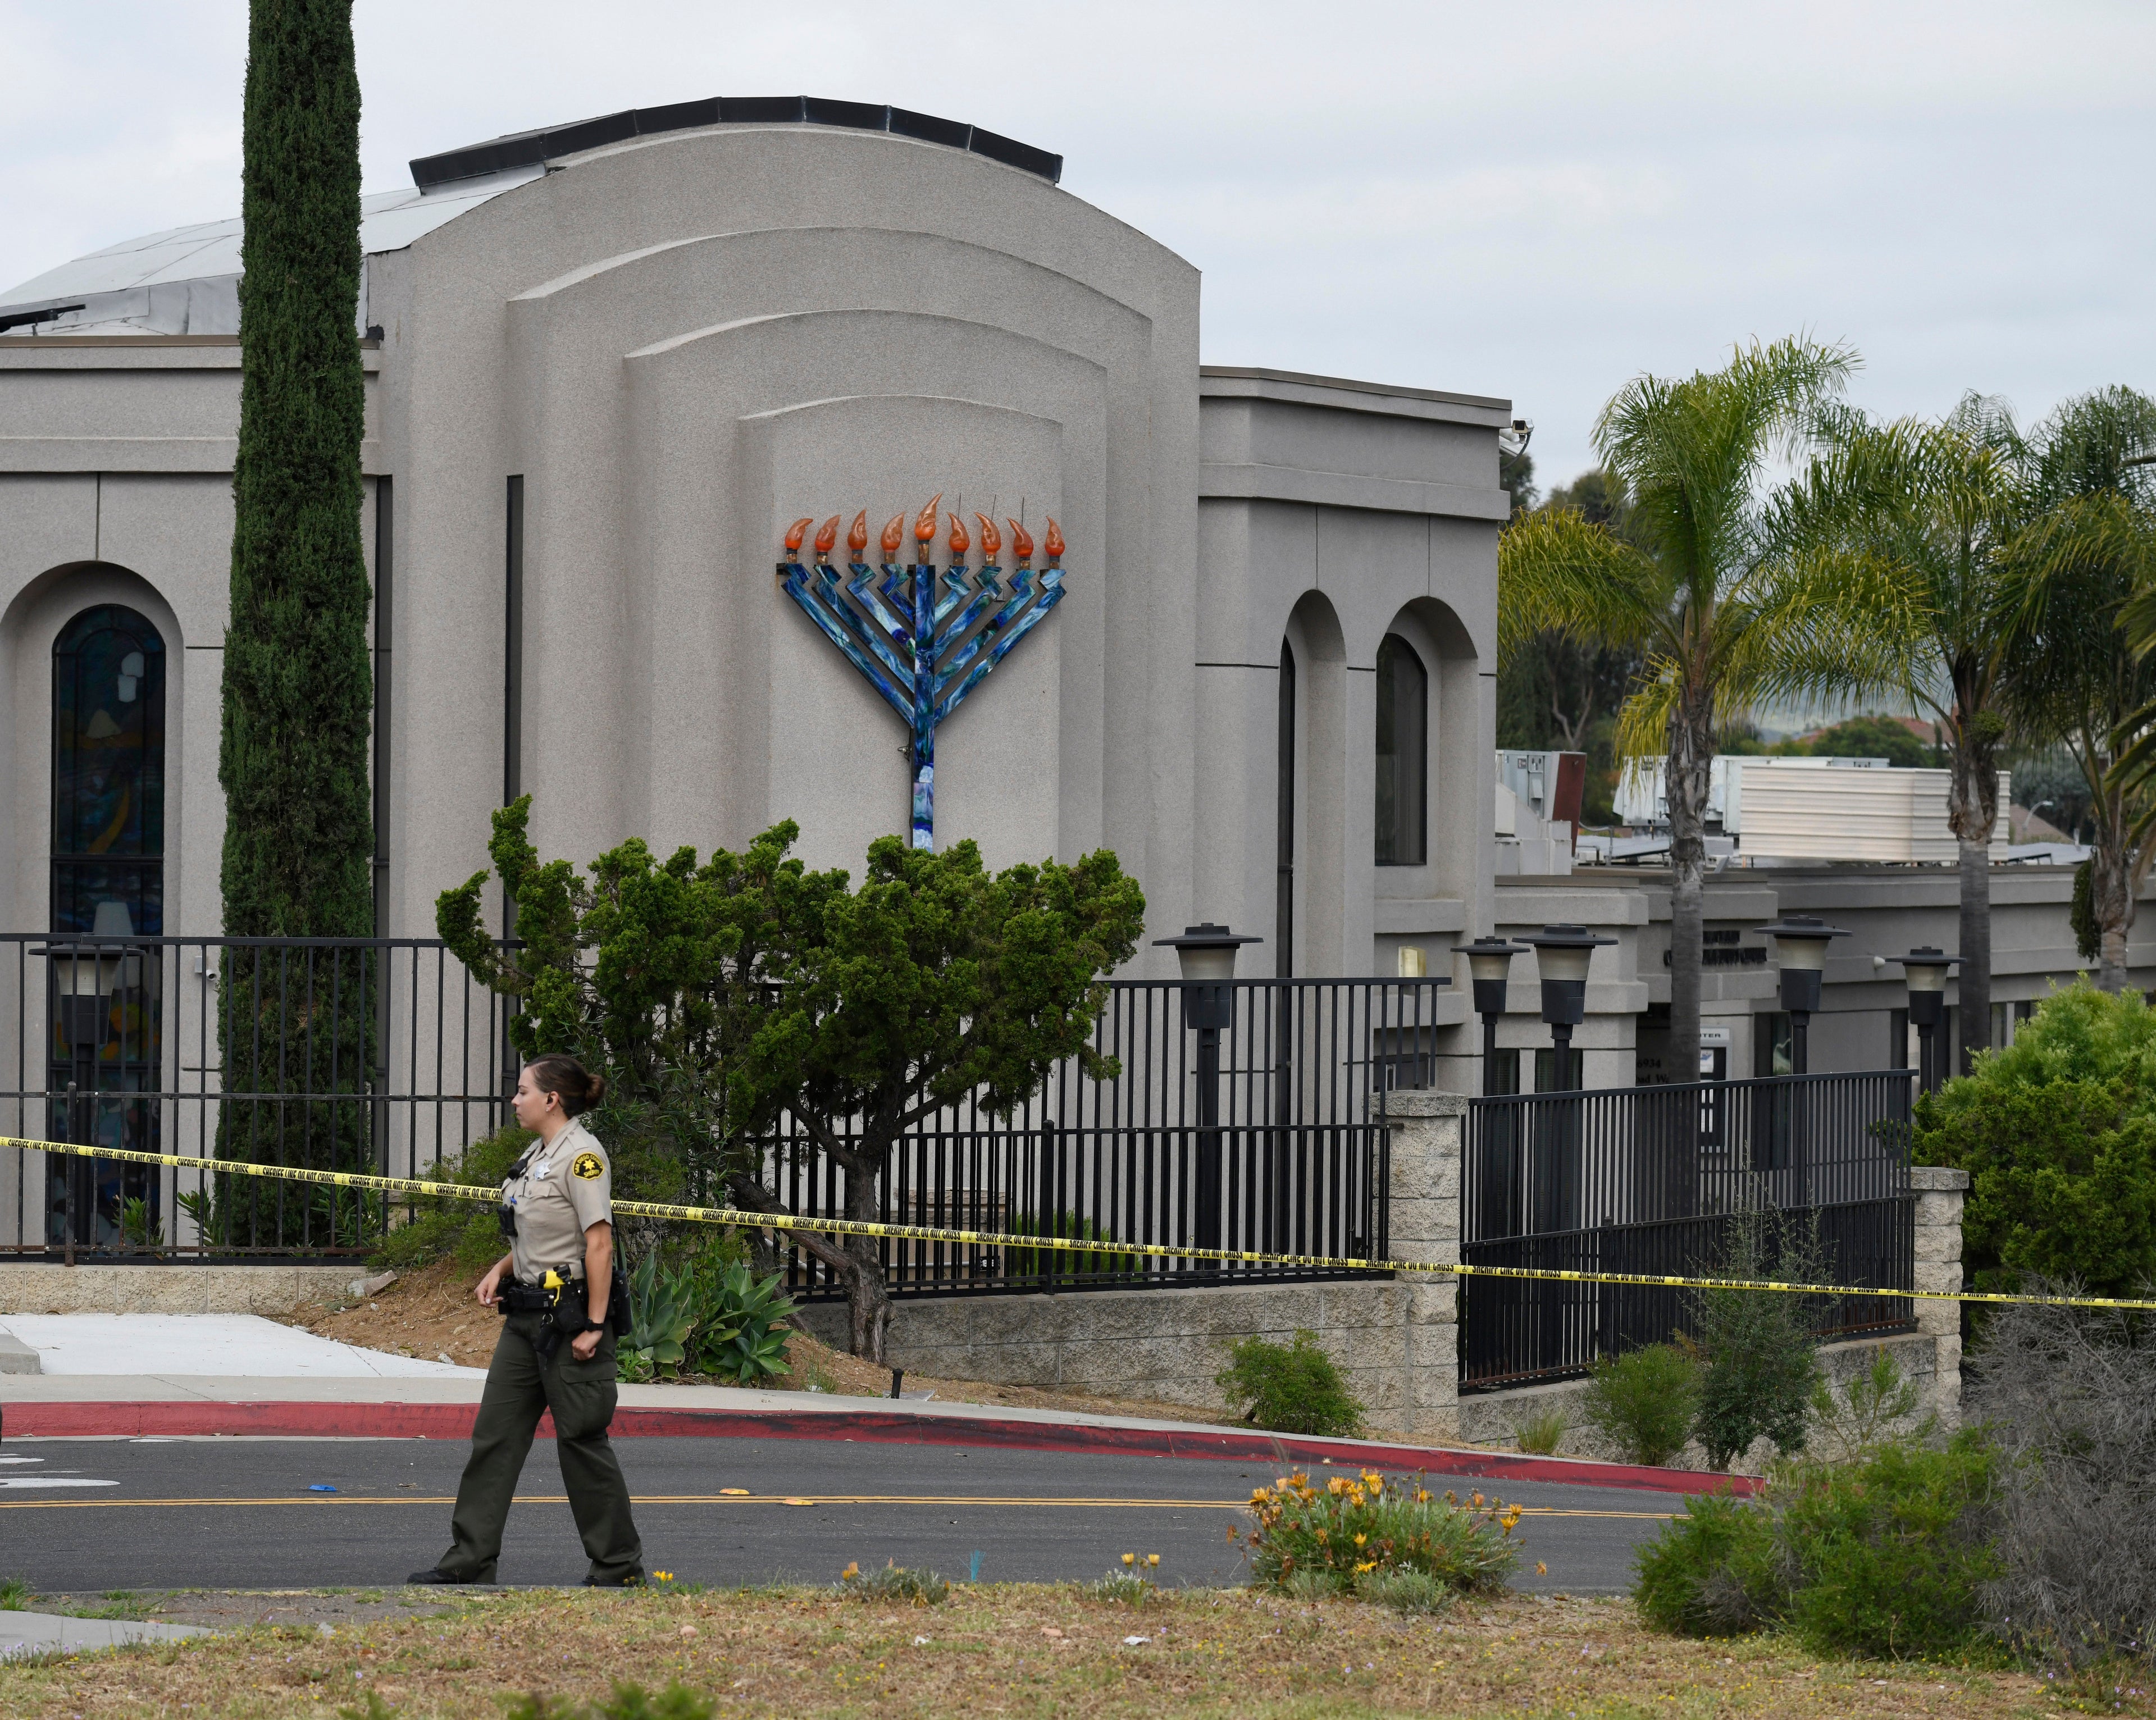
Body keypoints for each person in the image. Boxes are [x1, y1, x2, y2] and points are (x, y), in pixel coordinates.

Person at [407, 1053, 644, 1586]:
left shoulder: (583, 1156)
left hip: (571, 1321)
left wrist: (595, 1324)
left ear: (551, 1099)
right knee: (494, 1437)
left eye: (522, 1092)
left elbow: (598, 1242)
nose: (514, 1100)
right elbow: (539, 1232)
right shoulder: (536, 1153)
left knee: (581, 1441)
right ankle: (471, 1558)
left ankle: (618, 1566)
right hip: (524, 1318)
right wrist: (500, 1267)